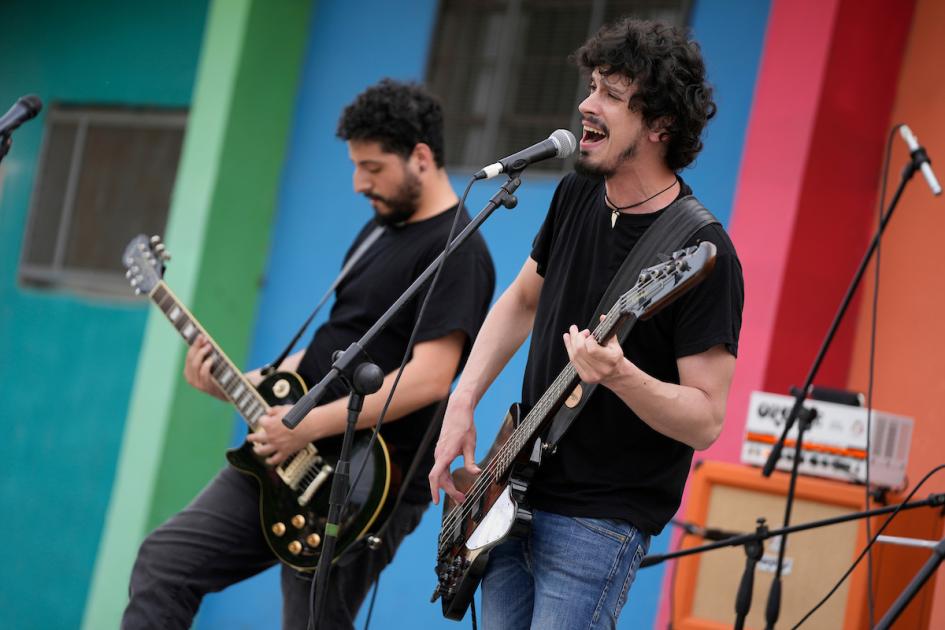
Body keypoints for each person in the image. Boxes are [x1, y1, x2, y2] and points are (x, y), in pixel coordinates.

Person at [123, 79, 495, 629]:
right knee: (166, 562)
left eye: (371, 168)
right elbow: (330, 346)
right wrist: (235, 380)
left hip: (365, 482)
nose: (356, 183)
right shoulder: (377, 231)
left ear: (420, 157)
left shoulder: (458, 250)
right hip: (287, 450)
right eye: (354, 166)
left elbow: (429, 379)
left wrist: (305, 426)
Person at [429, 18, 744, 629]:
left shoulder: (705, 253)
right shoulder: (576, 192)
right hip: (513, 490)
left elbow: (706, 419)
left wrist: (622, 376)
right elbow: (522, 301)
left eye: (612, 95)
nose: (586, 104)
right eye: (593, 85)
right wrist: (462, 401)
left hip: (598, 523)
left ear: (660, 125)